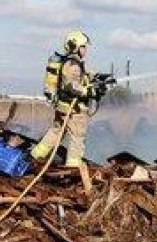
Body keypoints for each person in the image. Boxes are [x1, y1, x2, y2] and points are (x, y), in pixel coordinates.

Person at [32, 29, 104, 167]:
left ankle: (36, 155)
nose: (85, 50)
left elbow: (80, 76)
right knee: (77, 137)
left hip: (63, 107)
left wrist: (98, 76)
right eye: (83, 46)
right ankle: (73, 166)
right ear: (76, 46)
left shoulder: (70, 62)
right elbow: (72, 86)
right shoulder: (73, 65)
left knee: (56, 132)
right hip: (74, 109)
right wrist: (91, 92)